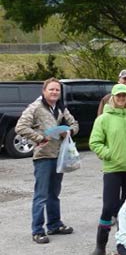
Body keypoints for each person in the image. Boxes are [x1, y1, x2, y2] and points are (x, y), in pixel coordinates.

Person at [16, 77, 79, 244]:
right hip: (43, 157)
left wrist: (69, 132)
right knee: (41, 195)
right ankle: (37, 230)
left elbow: (74, 124)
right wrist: (39, 137)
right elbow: (20, 127)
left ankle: (54, 224)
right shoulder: (35, 108)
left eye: (57, 90)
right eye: (51, 89)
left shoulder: (60, 108)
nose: (54, 92)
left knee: (54, 194)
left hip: (58, 156)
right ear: (44, 91)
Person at [86, 84, 126, 255]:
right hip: (113, 168)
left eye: (123, 96)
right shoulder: (103, 119)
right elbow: (95, 142)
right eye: (118, 96)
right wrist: (108, 154)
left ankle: (125, 245)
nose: (121, 99)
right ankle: (100, 246)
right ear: (112, 98)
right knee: (109, 206)